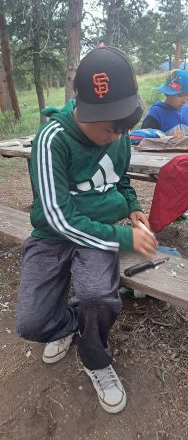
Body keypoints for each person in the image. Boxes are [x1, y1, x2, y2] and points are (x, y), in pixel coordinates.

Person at [16, 45, 157, 414]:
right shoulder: (52, 141)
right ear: (79, 101)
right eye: (108, 126)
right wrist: (126, 237)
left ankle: (95, 358)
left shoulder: (119, 134)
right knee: (32, 323)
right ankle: (68, 326)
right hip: (53, 234)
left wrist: (134, 207)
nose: (114, 136)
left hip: (99, 233)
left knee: (97, 297)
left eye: (121, 126)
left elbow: (119, 179)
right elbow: (60, 219)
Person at [142, 69, 188, 137]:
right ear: (167, 93)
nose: (185, 99)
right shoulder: (156, 114)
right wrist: (170, 140)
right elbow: (146, 142)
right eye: (180, 95)